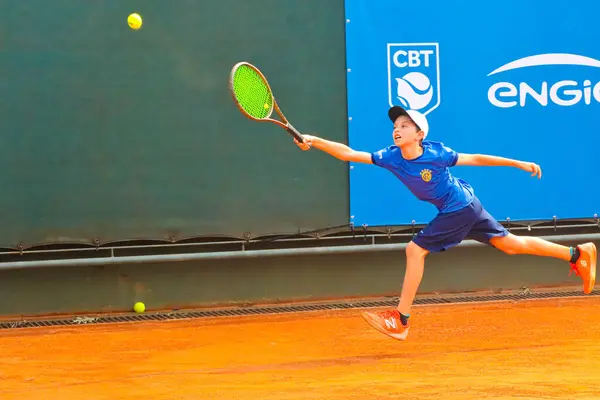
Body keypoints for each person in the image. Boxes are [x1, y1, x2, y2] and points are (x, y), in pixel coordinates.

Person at [293, 105, 596, 341]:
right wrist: (315, 141)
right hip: (468, 204)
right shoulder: (391, 157)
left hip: (459, 207)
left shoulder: (437, 153)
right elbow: (349, 153)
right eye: (395, 126)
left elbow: (476, 158)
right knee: (511, 245)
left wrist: (517, 163)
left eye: (404, 126)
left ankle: (401, 320)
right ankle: (577, 254)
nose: (396, 130)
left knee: (415, 250)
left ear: (419, 134)